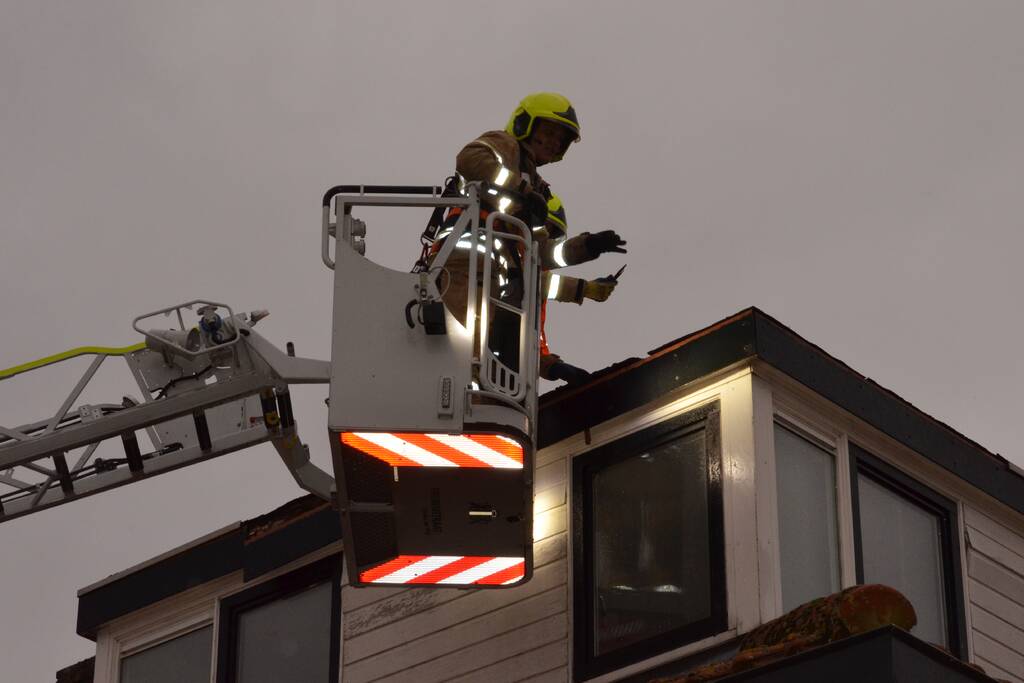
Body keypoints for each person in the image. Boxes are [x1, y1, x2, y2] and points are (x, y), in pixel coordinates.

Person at [430, 92, 626, 384]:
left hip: (497, 278)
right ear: (525, 124)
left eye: (560, 141)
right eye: (548, 133)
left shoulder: (538, 187)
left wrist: (588, 246)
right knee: (464, 355)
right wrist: (519, 188)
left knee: (486, 355)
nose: (553, 143)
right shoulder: (505, 145)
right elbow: (469, 159)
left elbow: (542, 253)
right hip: (462, 266)